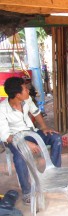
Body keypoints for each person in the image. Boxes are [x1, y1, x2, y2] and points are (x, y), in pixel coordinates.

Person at [0, 77, 62, 205]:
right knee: (19, 157)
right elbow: (5, 136)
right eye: (25, 88)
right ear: (17, 95)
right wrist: (24, 143)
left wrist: (44, 127)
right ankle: (27, 192)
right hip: (14, 139)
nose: (28, 90)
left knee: (56, 138)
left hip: (31, 132)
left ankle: (54, 173)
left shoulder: (26, 100)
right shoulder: (2, 109)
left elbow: (36, 112)